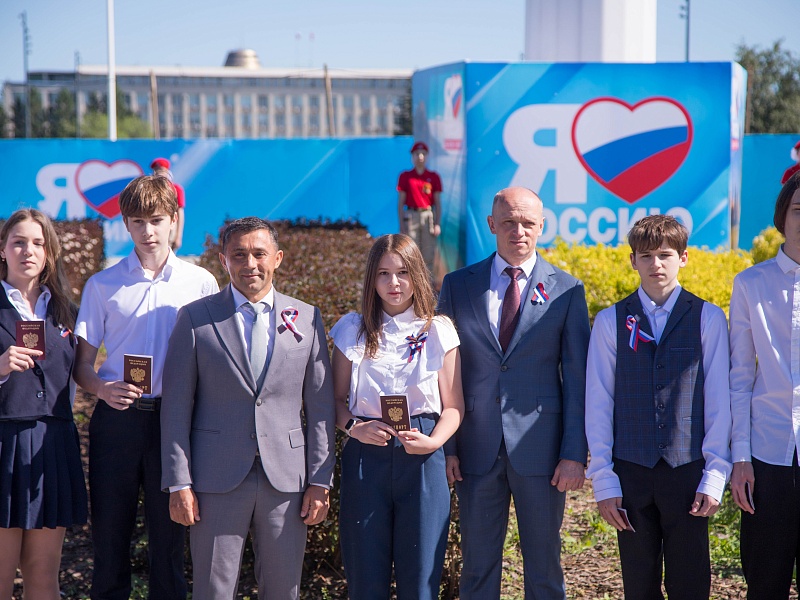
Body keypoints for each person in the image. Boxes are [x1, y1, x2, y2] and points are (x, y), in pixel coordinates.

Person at [160, 217, 336, 600]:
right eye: (239, 255)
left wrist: (320, 481)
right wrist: (179, 482)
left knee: (283, 591)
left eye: (259, 254)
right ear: (223, 260)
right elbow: (175, 407)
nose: (250, 264)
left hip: (287, 482)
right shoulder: (195, 318)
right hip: (214, 479)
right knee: (212, 591)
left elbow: (321, 409)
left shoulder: (307, 318)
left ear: (278, 258)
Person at [438, 186, 590, 599]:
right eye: (508, 222)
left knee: (544, 567)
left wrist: (574, 453)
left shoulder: (568, 290)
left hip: (543, 452)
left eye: (527, 223)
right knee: (477, 567)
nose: (518, 231)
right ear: (491, 224)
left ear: (541, 226)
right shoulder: (457, 286)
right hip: (475, 448)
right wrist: (448, 448)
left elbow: (577, 379)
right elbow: (443, 373)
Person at [73, 175, 218, 600]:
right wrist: (102, 390)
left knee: (170, 543)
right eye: (137, 221)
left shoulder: (201, 282)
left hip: (175, 423)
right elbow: (82, 367)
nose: (148, 231)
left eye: (156, 220)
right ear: (125, 224)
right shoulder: (103, 285)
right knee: (109, 539)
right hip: (116, 422)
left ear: (174, 220)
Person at [585, 215, 732, 600]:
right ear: (632, 261)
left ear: (683, 258)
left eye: (665, 255)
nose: (656, 264)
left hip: (688, 472)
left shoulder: (708, 317)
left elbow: (719, 401)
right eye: (646, 256)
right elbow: (599, 403)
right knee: (638, 585)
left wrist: (715, 473)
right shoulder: (610, 321)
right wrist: (603, 478)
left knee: (691, 583)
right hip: (630, 472)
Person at [330, 234, 464, 600]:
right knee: (365, 580)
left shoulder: (438, 329)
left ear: (417, 274)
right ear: (371, 279)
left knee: (420, 582)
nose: (394, 283)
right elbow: (335, 401)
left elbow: (454, 406)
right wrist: (354, 428)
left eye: (403, 272)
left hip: (422, 454)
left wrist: (433, 442)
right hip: (365, 454)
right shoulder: (351, 329)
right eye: (383, 273)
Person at [0, 209, 87, 599]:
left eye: (38, 243)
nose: (28, 251)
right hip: (3, 444)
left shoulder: (67, 311)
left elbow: (78, 376)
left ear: (49, 252)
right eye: (18, 242)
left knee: (43, 577)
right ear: (3, 249)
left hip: (52, 446)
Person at [730, 172, 800, 599]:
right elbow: (739, 378)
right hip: (768, 455)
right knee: (765, 584)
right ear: (782, 217)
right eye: (798, 210)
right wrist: (740, 458)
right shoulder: (750, 284)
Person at [397, 141, 442, 277]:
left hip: (428, 216)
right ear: (412, 156)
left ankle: (428, 284)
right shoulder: (406, 176)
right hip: (411, 216)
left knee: (428, 253)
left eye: (423, 153)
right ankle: (412, 283)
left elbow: (438, 203)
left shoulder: (433, 177)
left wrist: (437, 224)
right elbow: (400, 203)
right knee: (410, 252)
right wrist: (402, 224)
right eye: (417, 154)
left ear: (427, 156)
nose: (420, 156)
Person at [151, 158, 185, 252]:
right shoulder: (149, 190)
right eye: (156, 170)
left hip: (169, 229)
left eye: (161, 170)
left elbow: (180, 213)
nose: (159, 173)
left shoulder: (175, 189)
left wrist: (178, 236)